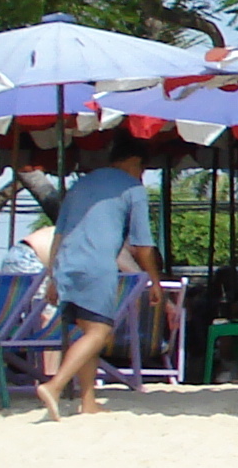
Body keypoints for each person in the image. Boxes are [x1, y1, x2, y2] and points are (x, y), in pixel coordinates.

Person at [34, 149, 171, 422]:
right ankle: (55, 385)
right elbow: (142, 244)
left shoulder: (79, 185)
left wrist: (53, 276)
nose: (142, 176)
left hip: (66, 264)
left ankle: (88, 401)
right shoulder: (132, 188)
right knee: (99, 332)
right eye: (142, 169)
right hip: (96, 266)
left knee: (87, 332)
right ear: (133, 160)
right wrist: (155, 281)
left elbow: (59, 233)